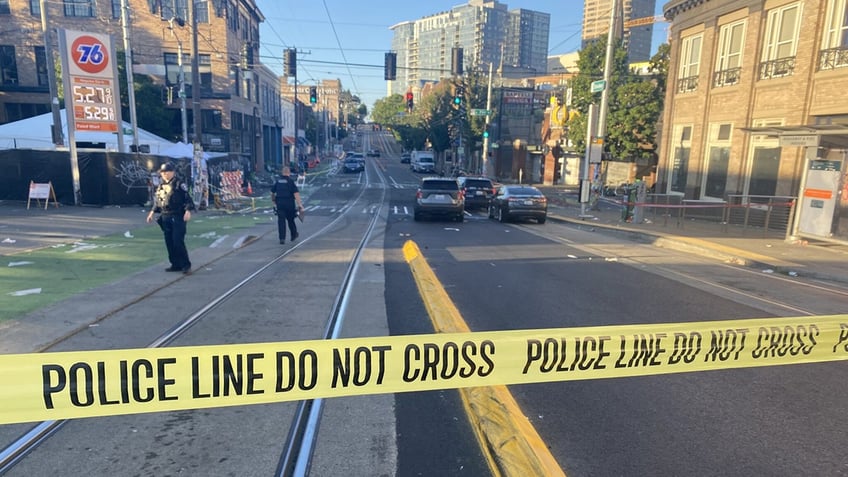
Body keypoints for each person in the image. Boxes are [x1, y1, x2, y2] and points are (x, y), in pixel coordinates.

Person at [146, 162, 196, 273]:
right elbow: (158, 201)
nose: (164, 174)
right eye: (163, 172)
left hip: (177, 215)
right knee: (169, 242)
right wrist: (152, 212)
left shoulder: (179, 184)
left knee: (177, 241)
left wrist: (188, 210)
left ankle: (185, 264)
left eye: (167, 172)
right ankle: (175, 263)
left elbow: (187, 198)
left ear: (172, 172)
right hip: (165, 216)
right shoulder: (161, 185)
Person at [270, 166, 305, 244]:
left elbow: (272, 193)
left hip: (280, 204)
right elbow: (296, 194)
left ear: (282, 173)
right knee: (290, 220)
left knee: (281, 221)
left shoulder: (278, 181)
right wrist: (300, 205)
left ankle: (282, 238)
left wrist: (274, 201)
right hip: (289, 204)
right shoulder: (290, 182)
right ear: (288, 173)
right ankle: (293, 235)